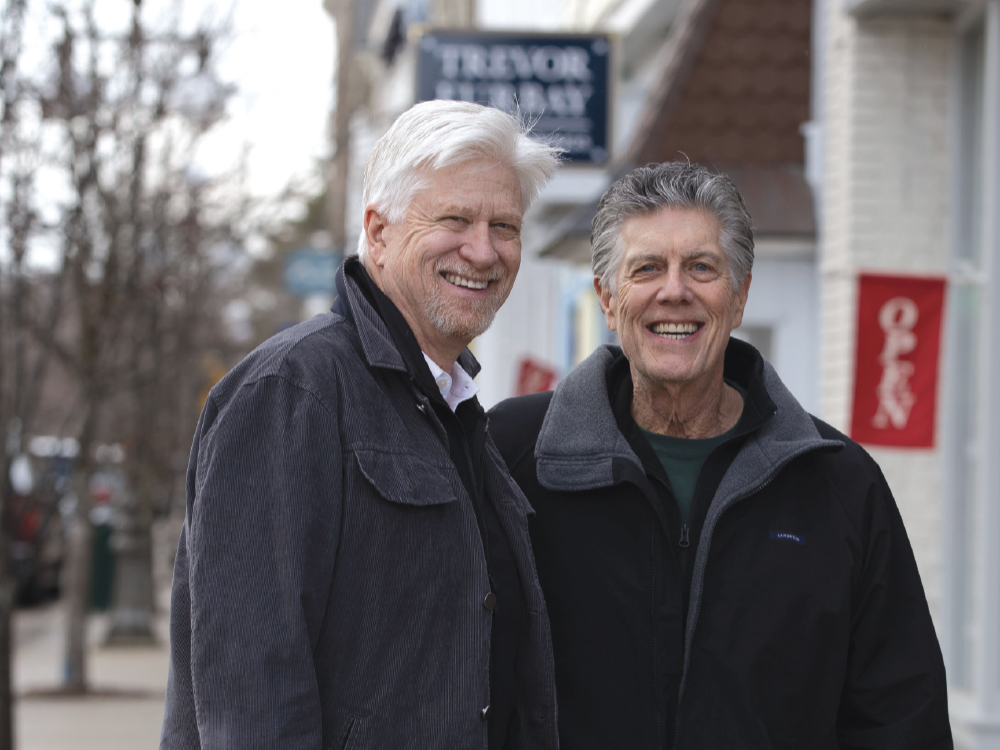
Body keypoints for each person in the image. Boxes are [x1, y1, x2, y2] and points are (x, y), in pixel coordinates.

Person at [489, 162, 953, 749]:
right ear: (608, 299)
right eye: (648, 268)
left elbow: (902, 721)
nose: (675, 290)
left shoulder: (838, 482)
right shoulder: (515, 457)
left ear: (739, 297)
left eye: (702, 267)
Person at [160, 100, 562, 750]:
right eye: (455, 219)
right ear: (377, 232)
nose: (484, 250)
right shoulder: (293, 393)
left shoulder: (456, 413)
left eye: (505, 226)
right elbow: (251, 691)